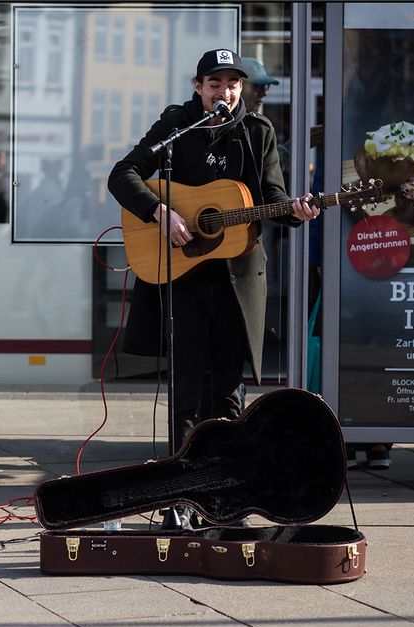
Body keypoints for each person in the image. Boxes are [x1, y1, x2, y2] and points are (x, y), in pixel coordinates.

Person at [108, 48, 320, 440]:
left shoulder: (258, 132)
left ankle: (226, 474)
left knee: (228, 388)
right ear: (198, 87)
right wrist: (160, 212)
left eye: (233, 84)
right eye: (215, 84)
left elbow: (274, 197)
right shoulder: (177, 125)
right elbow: (124, 174)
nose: (225, 92)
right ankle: (181, 476)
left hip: (236, 277)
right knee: (185, 384)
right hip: (184, 273)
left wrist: (296, 211)